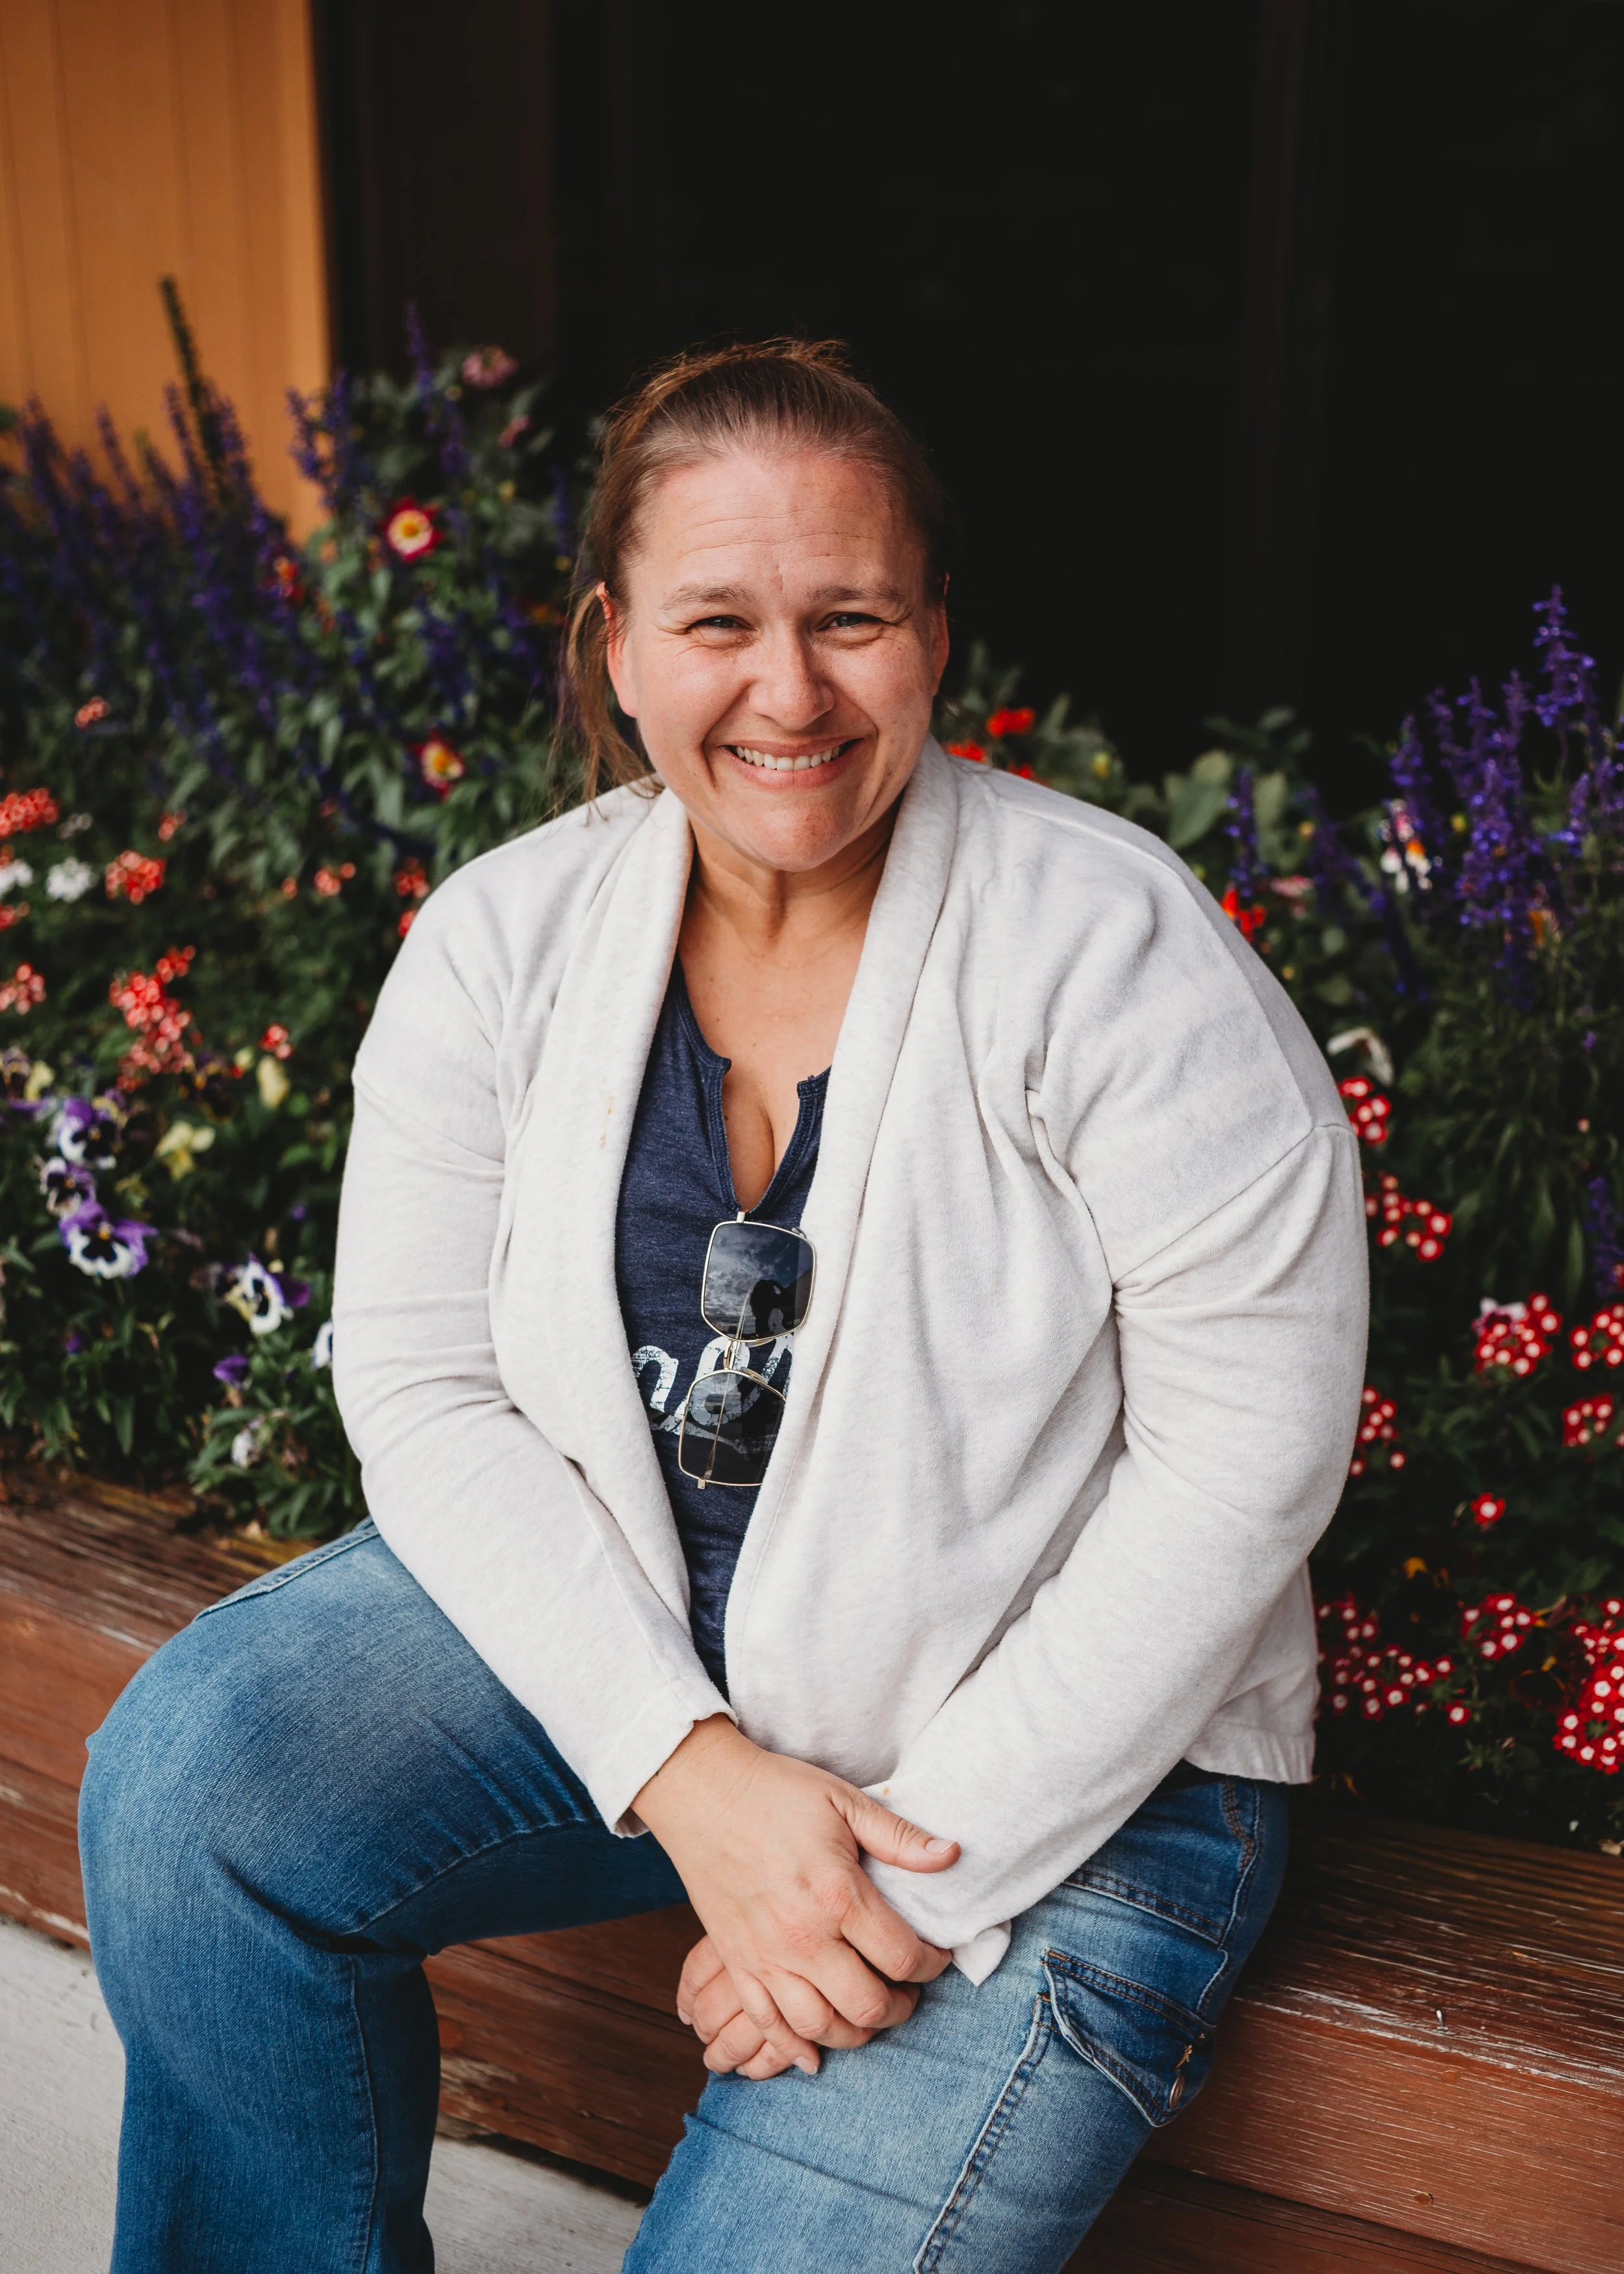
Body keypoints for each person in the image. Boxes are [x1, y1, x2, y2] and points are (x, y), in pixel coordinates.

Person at [79, 339, 1367, 2273]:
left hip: (1061, 1768)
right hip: (645, 1663)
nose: (789, 691)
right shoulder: (503, 941)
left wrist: (867, 1897)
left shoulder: (1115, 953)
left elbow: (1242, 1463)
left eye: (850, 616)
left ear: (935, 632)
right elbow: (426, 1391)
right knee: (196, 1787)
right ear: (613, 643)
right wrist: (690, 1778)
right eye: (718, 621)